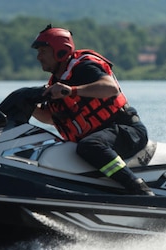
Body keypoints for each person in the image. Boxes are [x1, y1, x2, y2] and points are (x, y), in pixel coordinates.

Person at [30, 24, 154, 196]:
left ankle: (139, 190)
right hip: (104, 136)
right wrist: (28, 107)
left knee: (90, 145)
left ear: (59, 50)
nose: (39, 57)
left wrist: (72, 91)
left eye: (42, 51)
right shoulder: (56, 84)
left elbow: (110, 88)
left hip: (127, 130)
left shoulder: (83, 67)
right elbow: (50, 118)